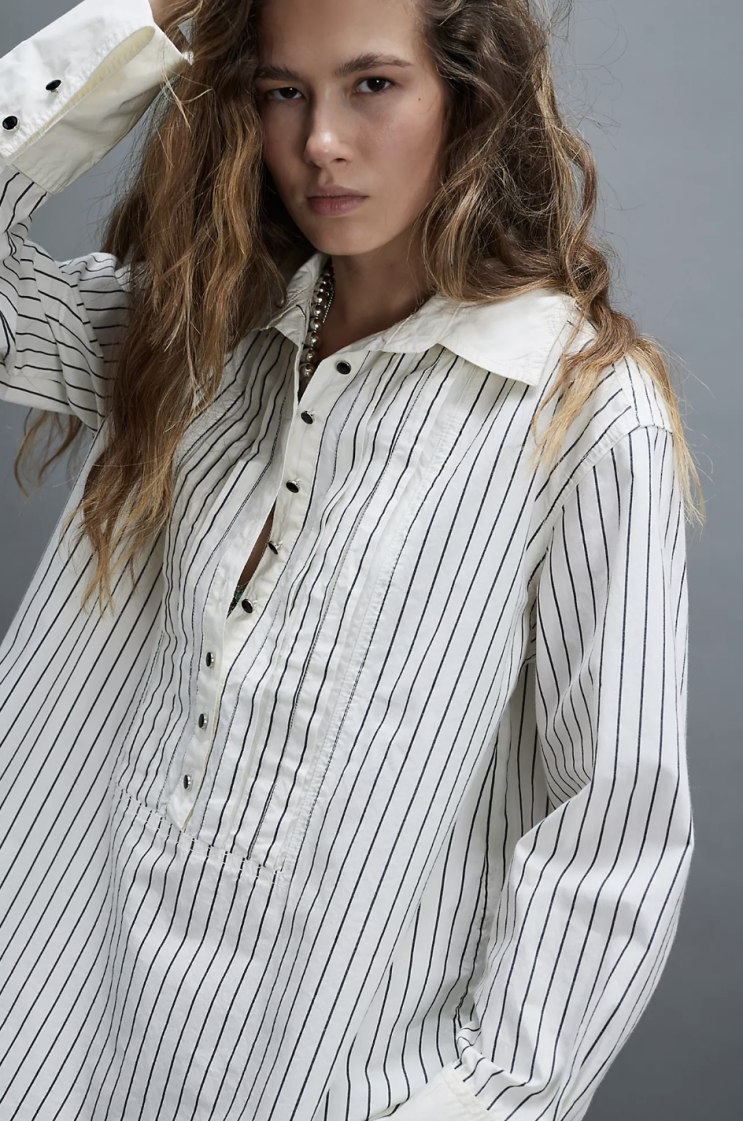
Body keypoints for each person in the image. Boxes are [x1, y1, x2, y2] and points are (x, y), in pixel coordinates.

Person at [0, 0, 700, 1118]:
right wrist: (140, 19)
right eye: (284, 91)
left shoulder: (578, 413)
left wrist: (485, 1100)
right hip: (50, 1050)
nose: (319, 141)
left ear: (466, 98)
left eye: (372, 84)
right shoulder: (192, 339)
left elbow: (613, 834)